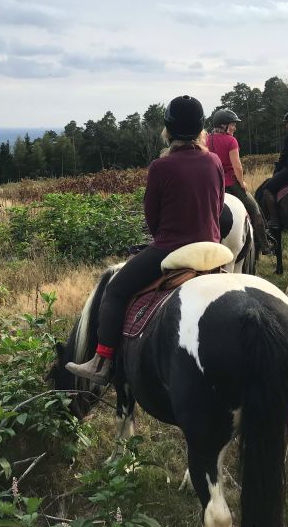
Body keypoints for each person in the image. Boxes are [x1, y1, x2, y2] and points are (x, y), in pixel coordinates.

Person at [65, 95, 224, 385]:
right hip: (213, 249)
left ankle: (102, 361)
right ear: (202, 129)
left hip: (173, 249)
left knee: (115, 290)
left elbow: (152, 218)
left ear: (168, 130)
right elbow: (218, 205)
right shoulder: (214, 161)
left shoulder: (161, 167)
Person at [207, 109, 274, 255]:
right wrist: (242, 182)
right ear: (223, 125)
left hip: (212, 184)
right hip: (230, 184)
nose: (235, 128)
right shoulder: (231, 141)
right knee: (255, 210)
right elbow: (237, 166)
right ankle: (265, 246)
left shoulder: (206, 139)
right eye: (232, 125)